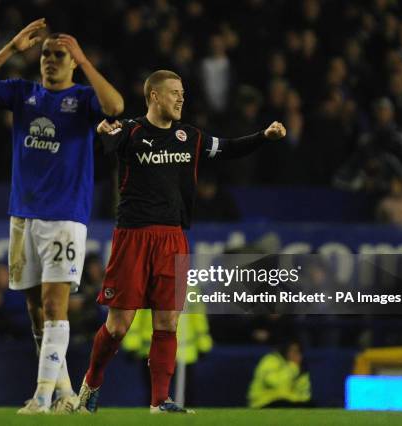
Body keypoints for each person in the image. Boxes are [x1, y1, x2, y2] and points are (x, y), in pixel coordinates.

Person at [78, 70, 286, 414]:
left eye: (183, 93)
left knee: (168, 322)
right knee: (117, 327)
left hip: (173, 237)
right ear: (154, 97)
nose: (180, 99)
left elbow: (230, 149)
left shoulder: (189, 136)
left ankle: (160, 401)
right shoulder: (130, 131)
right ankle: (91, 384)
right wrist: (104, 132)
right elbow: (105, 146)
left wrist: (263, 136)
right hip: (133, 236)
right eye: (174, 93)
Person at [0, 18, 123, 414]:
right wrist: (11, 49)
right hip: (23, 215)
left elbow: (116, 106)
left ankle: (40, 396)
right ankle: (65, 392)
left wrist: (85, 61)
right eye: (46, 55)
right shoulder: (22, 93)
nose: (50, 61)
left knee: (55, 307)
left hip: (64, 216)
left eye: (59, 55)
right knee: (36, 310)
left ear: (72, 62)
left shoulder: (84, 98)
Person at [247, 340, 312, 408]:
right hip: (263, 402)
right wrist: (293, 367)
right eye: (292, 351)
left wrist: (302, 402)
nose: (295, 354)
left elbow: (303, 393)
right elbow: (274, 382)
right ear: (285, 350)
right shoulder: (270, 360)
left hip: (286, 401)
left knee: (310, 405)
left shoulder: (300, 367)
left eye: (298, 351)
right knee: (284, 404)